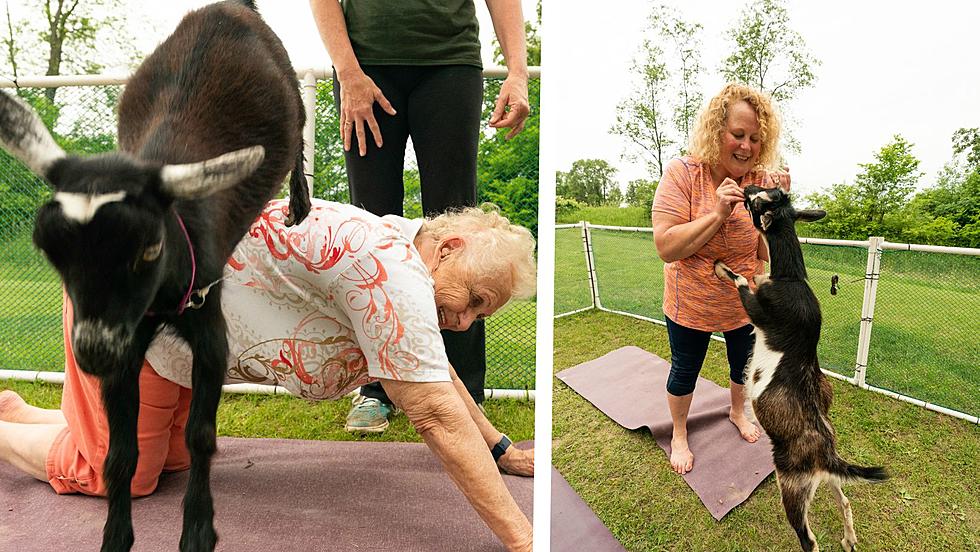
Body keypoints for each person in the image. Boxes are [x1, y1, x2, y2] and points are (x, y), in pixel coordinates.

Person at [0, 199, 536, 551]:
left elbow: (433, 370)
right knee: (124, 475)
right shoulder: (389, 271)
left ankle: (23, 414)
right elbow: (435, 415)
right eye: (474, 301)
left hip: (176, 336)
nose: (464, 322)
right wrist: (523, 540)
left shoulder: (402, 253)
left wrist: (500, 449)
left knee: (178, 458)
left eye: (479, 316)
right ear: (448, 248)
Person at [309, 0, 532, 433]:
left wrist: (518, 73)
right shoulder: (354, 72)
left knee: (459, 229)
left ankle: (466, 391)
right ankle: (375, 389)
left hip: (449, 64)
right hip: (365, 66)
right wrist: (348, 74)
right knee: (368, 232)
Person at [651, 83, 791, 475]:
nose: (746, 147)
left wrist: (778, 214)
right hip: (690, 302)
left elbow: (765, 256)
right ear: (717, 132)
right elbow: (665, 246)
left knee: (741, 365)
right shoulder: (684, 173)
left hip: (741, 302)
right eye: (738, 135)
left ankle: (736, 412)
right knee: (685, 368)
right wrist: (717, 215)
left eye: (755, 139)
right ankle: (679, 432)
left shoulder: (760, 180)